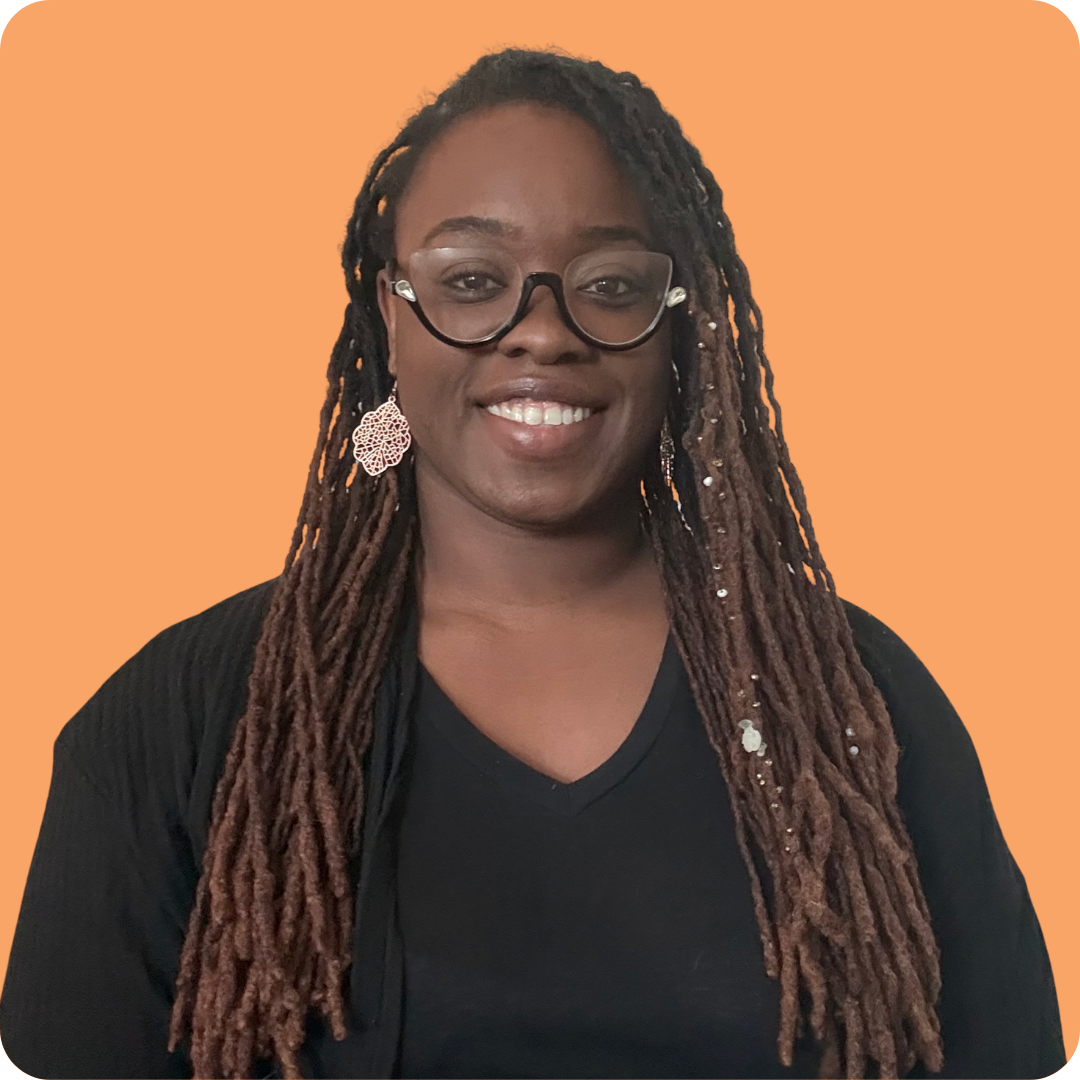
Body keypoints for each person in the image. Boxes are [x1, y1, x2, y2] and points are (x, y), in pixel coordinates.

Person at [0, 48, 1067, 1080]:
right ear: (389, 318)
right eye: (473, 279)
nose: (544, 333)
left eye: (609, 283)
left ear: (676, 328)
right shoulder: (184, 721)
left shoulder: (857, 701)